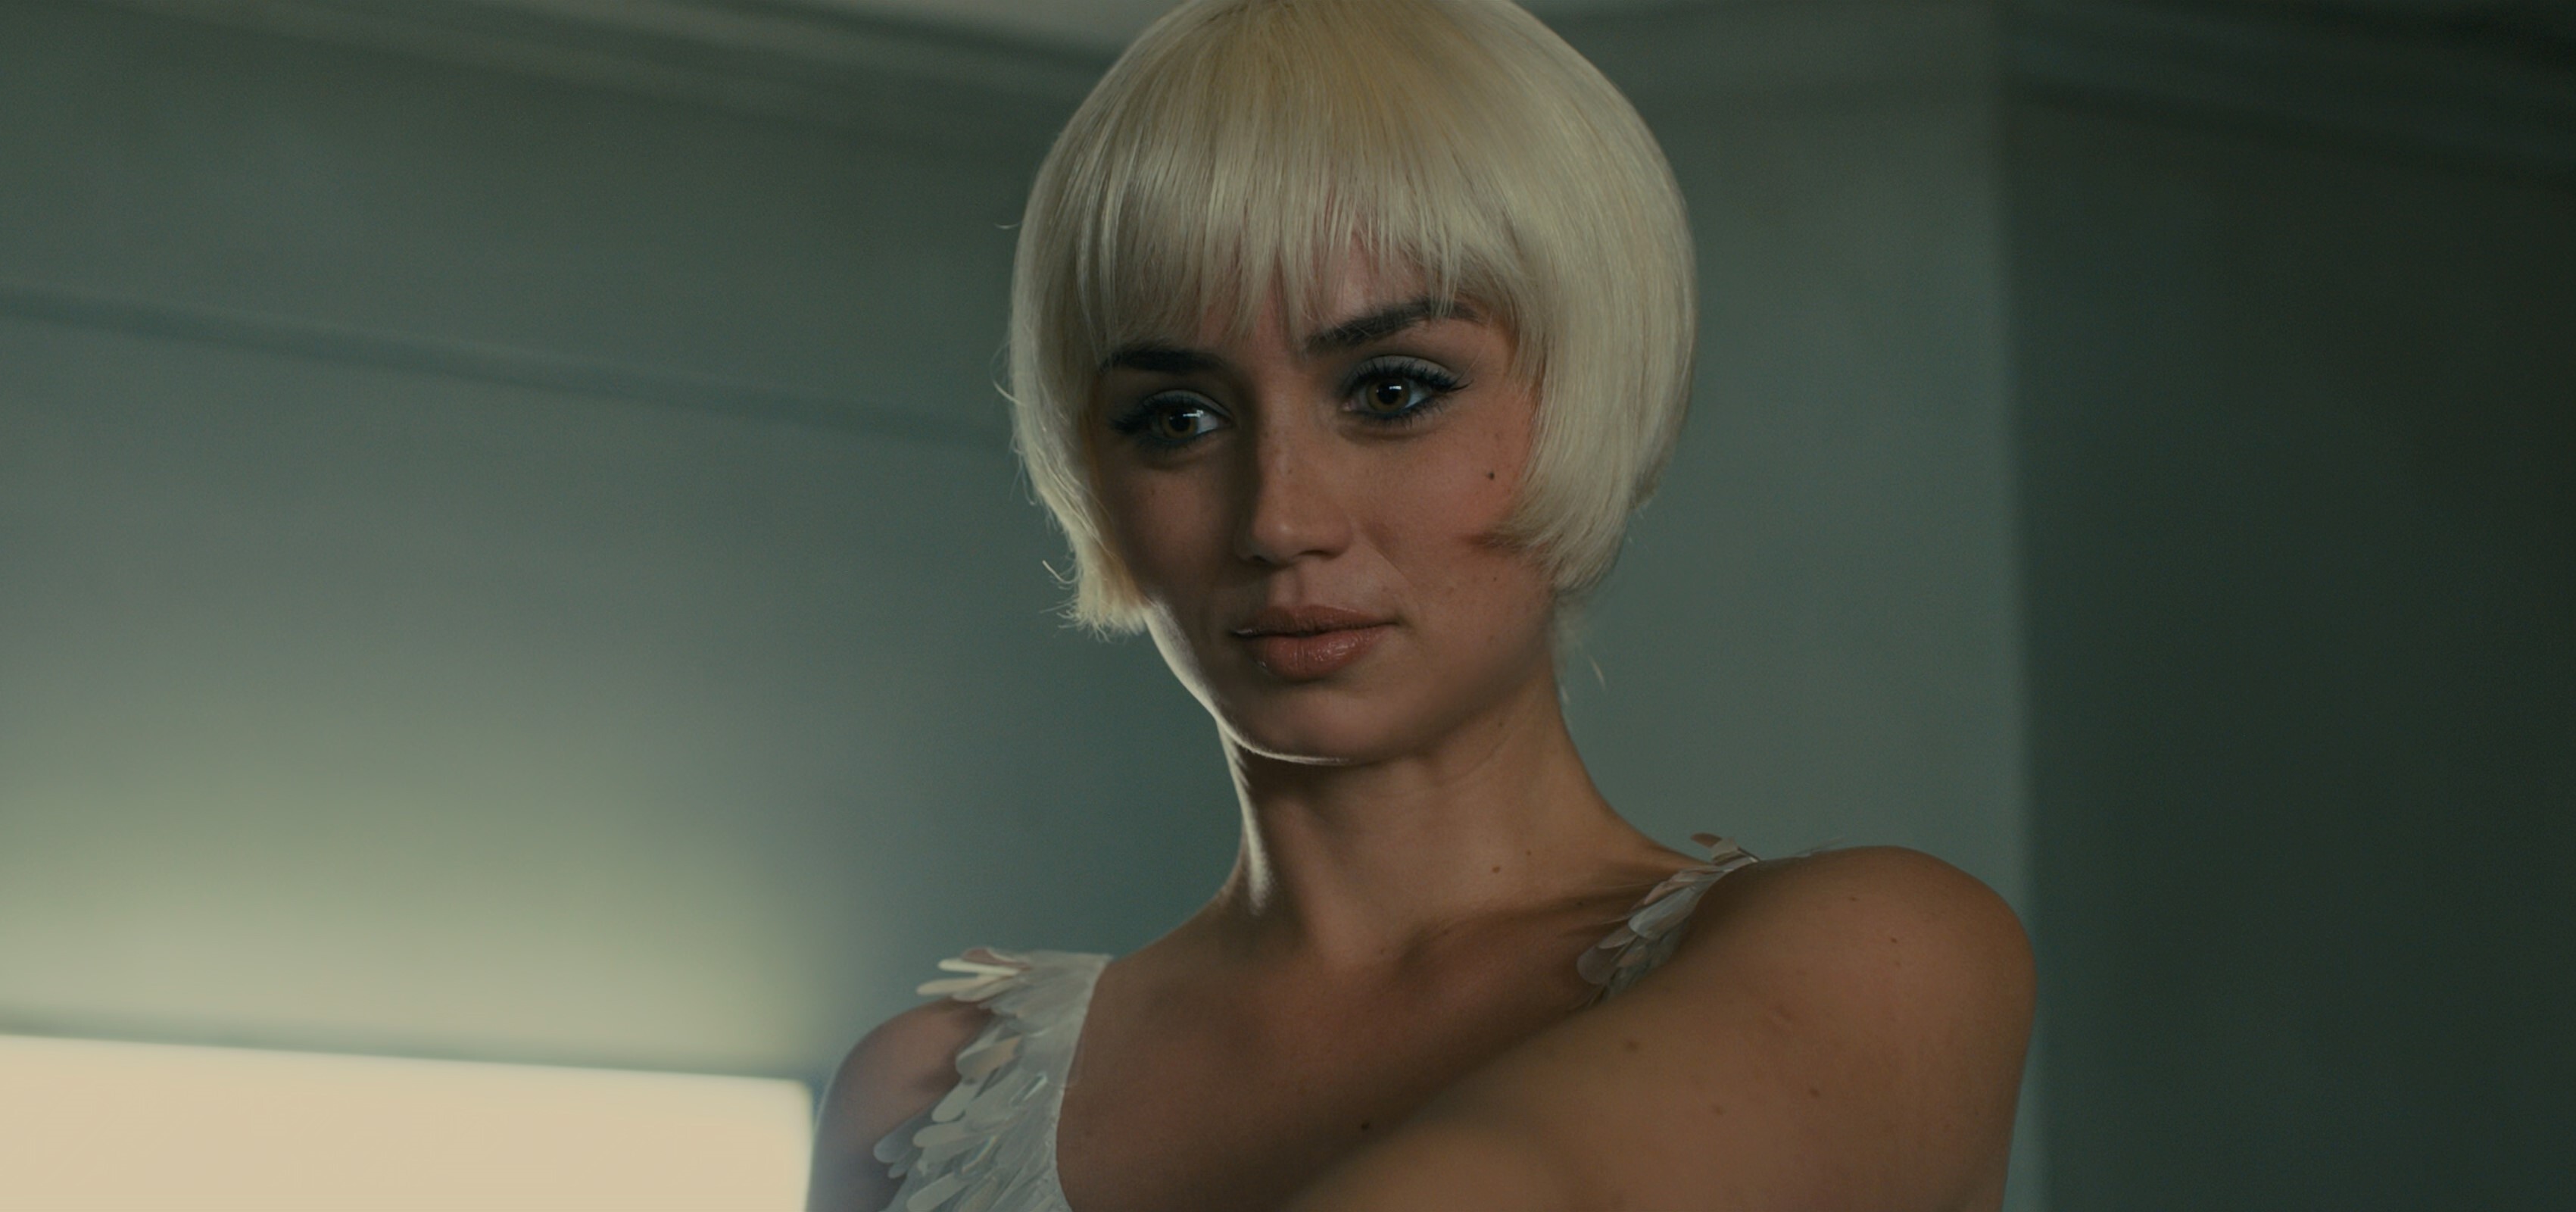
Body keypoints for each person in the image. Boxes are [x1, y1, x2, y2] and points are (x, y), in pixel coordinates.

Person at [808, 1, 2034, 1208]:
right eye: (1178, 418)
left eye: (1392, 391)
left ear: (1592, 399)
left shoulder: (1887, 956)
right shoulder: (923, 1103)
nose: (1280, 518)